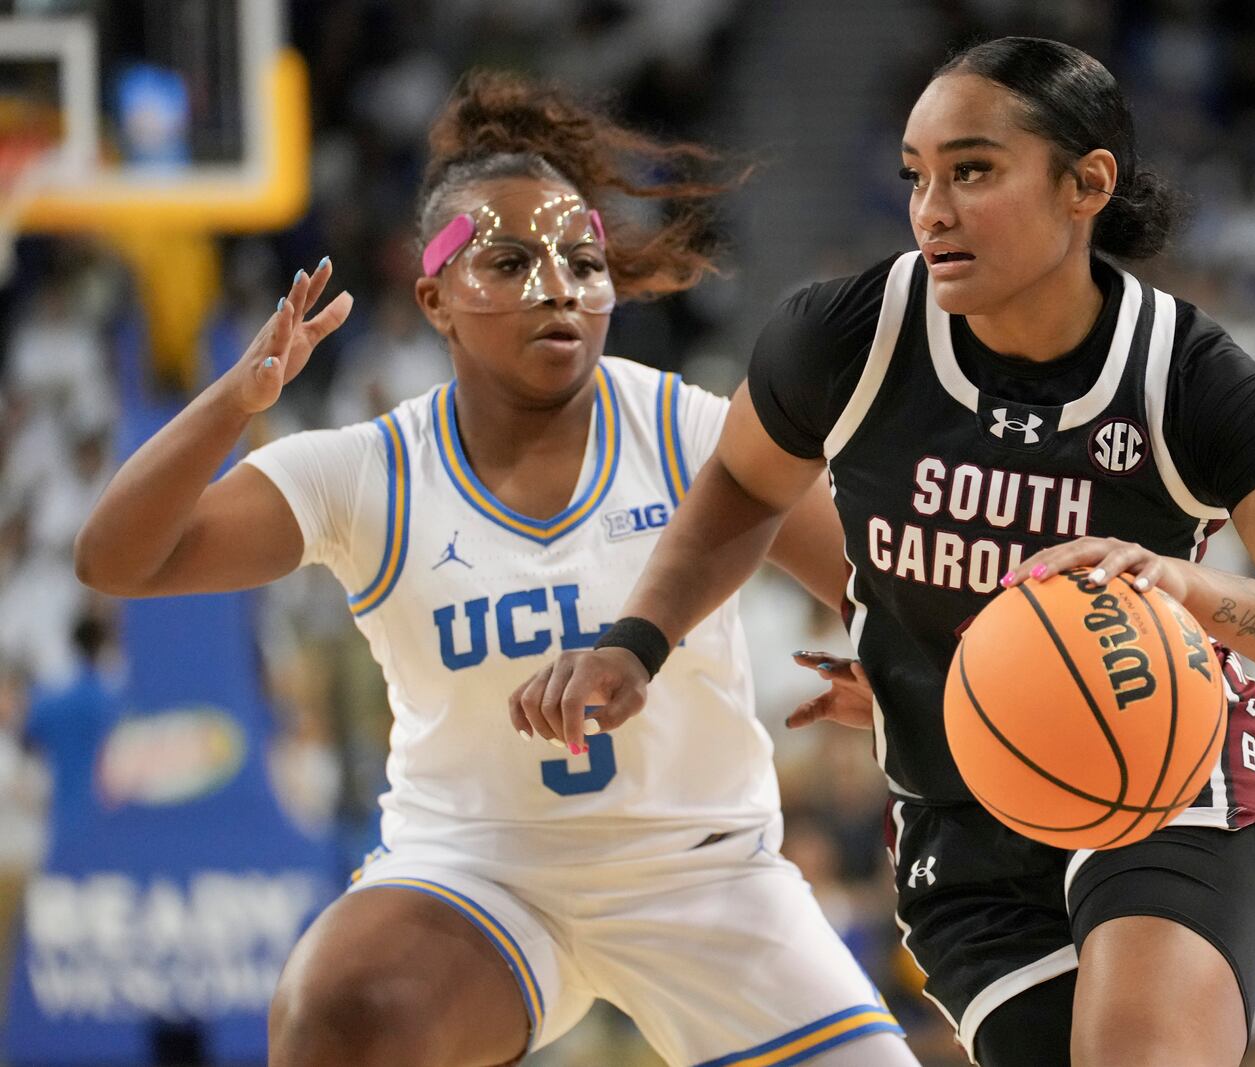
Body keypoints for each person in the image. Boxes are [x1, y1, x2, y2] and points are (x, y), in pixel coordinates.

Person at [514, 37, 1255, 1067]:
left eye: (972, 170)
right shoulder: (846, 337)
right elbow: (741, 486)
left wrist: (1186, 587)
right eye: (917, 174)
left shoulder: (1188, 377)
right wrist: (636, 642)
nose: (930, 208)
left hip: (1168, 773)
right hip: (963, 815)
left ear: (1087, 185)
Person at [74, 73, 914, 1067]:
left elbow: (889, 590)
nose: (556, 286)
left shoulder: (688, 426)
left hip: (705, 873)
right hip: (479, 876)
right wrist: (234, 397)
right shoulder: (368, 471)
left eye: (582, 262)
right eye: (508, 261)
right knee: (337, 1013)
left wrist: (907, 672)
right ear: (433, 295)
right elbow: (117, 558)